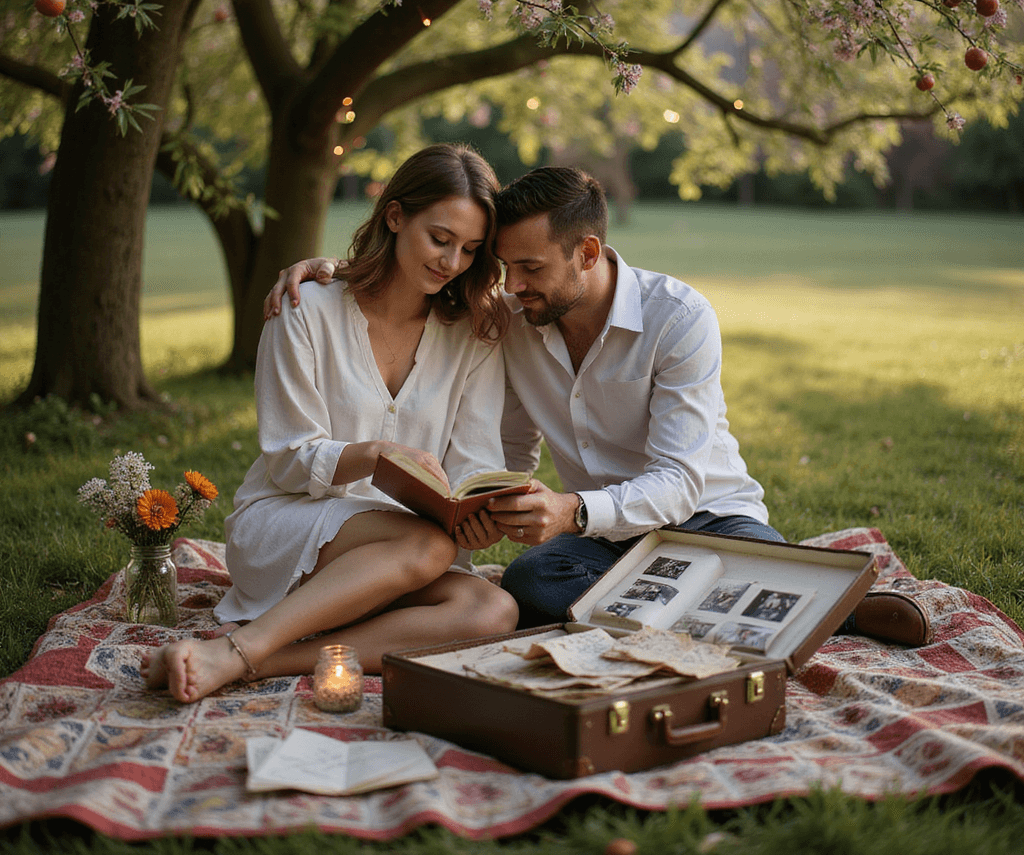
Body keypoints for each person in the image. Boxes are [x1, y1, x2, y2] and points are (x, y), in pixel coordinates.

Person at [268, 166, 931, 647]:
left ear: (587, 253)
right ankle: (741, 606)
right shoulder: (513, 319)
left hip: (708, 518)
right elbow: (505, 440)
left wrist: (571, 509)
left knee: (747, 566)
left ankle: (830, 606)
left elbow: (680, 482)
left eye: (528, 269)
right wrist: (330, 268)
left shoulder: (679, 317)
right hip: (597, 542)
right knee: (529, 589)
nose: (510, 286)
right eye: (503, 267)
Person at [142, 144, 520, 704]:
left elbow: (473, 460)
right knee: (428, 547)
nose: (452, 263)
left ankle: (248, 658)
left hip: (408, 546)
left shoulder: (473, 332)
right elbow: (290, 459)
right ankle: (242, 650)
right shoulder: (304, 308)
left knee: (493, 609)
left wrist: (478, 519)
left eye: (469, 250)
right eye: (440, 239)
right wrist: (373, 455)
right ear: (395, 216)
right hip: (289, 522)